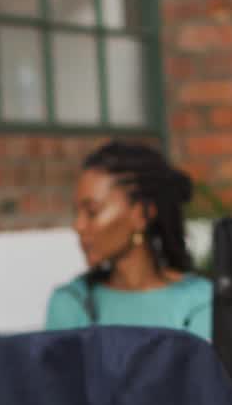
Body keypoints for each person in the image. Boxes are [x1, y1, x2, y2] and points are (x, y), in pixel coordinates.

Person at [44, 141, 213, 340]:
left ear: (141, 214)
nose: (78, 226)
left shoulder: (200, 302)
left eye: (92, 212)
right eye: (76, 213)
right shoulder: (73, 302)